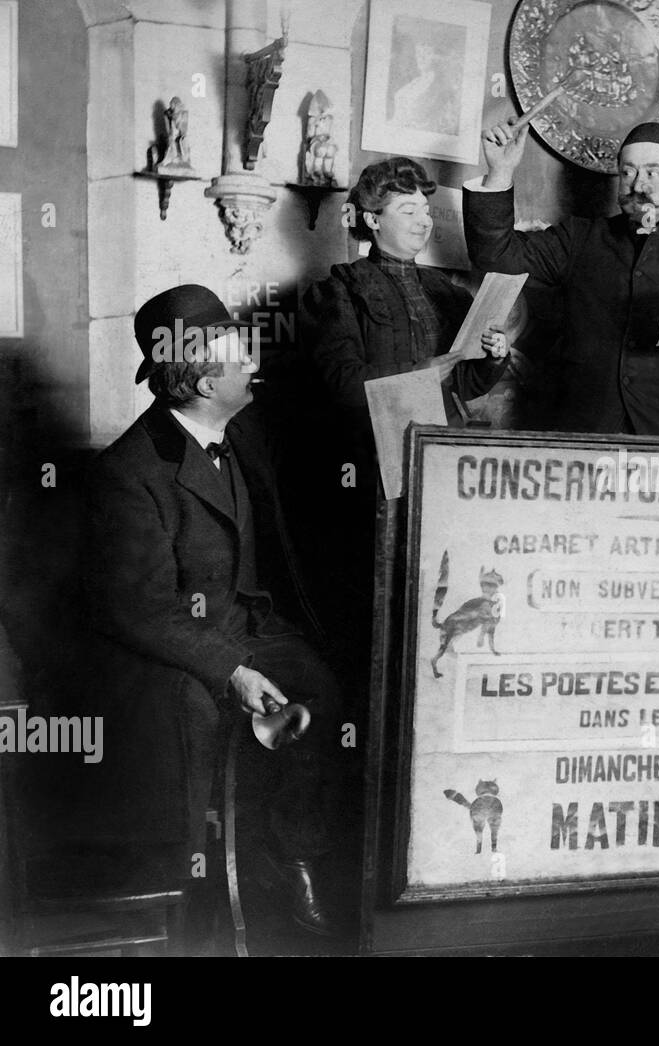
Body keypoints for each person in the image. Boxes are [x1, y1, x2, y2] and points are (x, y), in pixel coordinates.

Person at [81, 285, 347, 936]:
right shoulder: (130, 473)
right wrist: (231, 670)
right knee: (194, 716)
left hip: (247, 624)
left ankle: (289, 858)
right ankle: (195, 899)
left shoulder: (237, 430)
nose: (252, 356)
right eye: (237, 349)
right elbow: (140, 611)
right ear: (203, 380)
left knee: (323, 688)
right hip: (176, 649)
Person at [299, 157, 508, 685]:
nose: (423, 221)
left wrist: (490, 358)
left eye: (426, 210)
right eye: (407, 208)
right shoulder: (338, 289)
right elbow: (341, 383)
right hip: (371, 472)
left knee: (440, 589)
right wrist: (425, 372)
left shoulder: (447, 291)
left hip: (441, 467)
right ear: (371, 219)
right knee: (378, 609)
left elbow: (463, 387)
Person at [464, 119, 659, 436]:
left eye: (652, 172)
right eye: (628, 171)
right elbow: (496, 256)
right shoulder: (578, 238)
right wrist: (500, 171)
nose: (638, 184)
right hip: (583, 433)